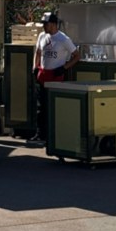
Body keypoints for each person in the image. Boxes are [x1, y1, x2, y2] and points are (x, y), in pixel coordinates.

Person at [31, 12, 80, 143]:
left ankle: (54, 134)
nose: (44, 27)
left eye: (45, 24)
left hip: (55, 75)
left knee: (52, 106)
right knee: (40, 107)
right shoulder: (42, 36)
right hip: (43, 74)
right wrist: (35, 67)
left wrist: (64, 67)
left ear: (53, 24)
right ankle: (40, 133)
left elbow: (77, 56)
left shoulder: (63, 39)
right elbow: (38, 52)